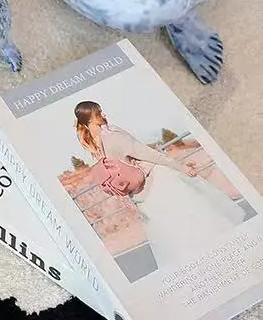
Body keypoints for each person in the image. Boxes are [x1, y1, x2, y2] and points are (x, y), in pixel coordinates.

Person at [74, 100, 246, 268]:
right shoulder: (113, 136)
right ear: (90, 120)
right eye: (99, 113)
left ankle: (201, 264)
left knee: (174, 229)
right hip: (157, 182)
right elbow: (150, 155)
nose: (104, 115)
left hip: (140, 195)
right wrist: (181, 167)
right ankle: (226, 254)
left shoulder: (94, 145)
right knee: (193, 214)